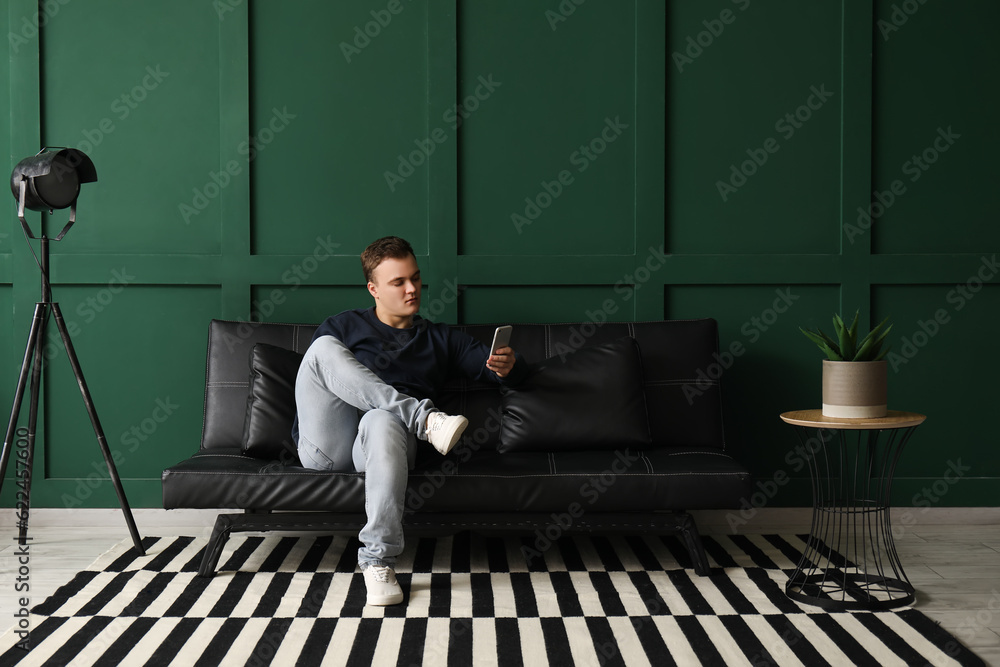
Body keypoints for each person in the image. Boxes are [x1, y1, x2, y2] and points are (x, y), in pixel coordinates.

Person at [292, 236, 525, 605]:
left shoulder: (441, 338)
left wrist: (508, 366)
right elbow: (318, 381)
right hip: (329, 444)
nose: (412, 289)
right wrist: (423, 415)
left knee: (382, 419)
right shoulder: (343, 327)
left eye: (415, 278)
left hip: (385, 447)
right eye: (398, 282)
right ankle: (426, 419)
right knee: (321, 350)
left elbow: (497, 371)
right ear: (374, 289)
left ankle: (376, 561)